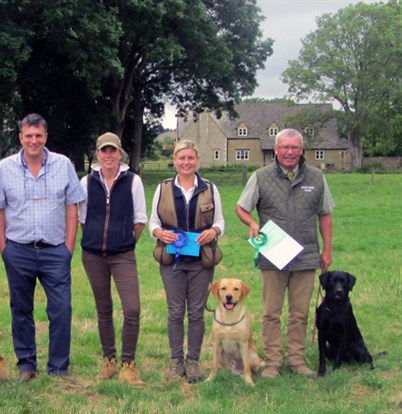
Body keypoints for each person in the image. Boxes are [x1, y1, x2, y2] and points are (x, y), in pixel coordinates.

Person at [0, 113, 86, 381]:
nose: (34, 141)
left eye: (39, 135)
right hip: (18, 249)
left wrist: (68, 247)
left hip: (55, 250)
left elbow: (72, 206)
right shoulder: (5, 167)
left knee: (61, 309)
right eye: (28, 136)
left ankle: (58, 367)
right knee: (21, 309)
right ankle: (26, 365)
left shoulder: (62, 164)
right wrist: (4, 248)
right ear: (20, 137)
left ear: (46, 137)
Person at [236, 128, 334, 378]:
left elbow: (325, 215)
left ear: (302, 150)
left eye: (294, 147)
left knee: (300, 313)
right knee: (271, 313)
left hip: (306, 256)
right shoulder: (260, 176)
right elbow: (241, 208)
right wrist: (252, 223)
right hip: (273, 255)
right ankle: (272, 363)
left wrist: (327, 249)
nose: (290, 152)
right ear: (276, 150)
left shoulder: (317, 177)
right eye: (285, 147)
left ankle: (296, 360)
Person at [149, 140, 225, 383]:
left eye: (190, 158)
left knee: (196, 312)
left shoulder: (210, 188)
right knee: (174, 311)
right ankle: (175, 360)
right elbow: (152, 222)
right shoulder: (162, 189)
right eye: (181, 158)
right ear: (174, 160)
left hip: (201, 260)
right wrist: (159, 233)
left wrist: (213, 232)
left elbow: (220, 221)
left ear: (197, 160)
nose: (186, 162)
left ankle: (193, 361)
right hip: (171, 259)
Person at [78, 132, 147, 386]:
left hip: (123, 254)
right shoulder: (87, 182)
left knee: (132, 308)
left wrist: (125, 241)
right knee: (103, 308)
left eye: (113, 151)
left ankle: (128, 363)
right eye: (104, 151)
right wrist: (96, 240)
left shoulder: (133, 181)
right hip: (93, 255)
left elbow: (140, 219)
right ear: (97, 155)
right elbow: (83, 218)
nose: (108, 155)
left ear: (120, 153)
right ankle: (109, 360)